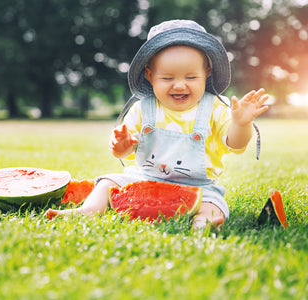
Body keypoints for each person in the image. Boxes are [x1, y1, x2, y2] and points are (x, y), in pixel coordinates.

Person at [46, 20, 269, 229]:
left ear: (206, 74)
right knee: (106, 182)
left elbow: (235, 143)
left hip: (199, 187)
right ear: (150, 76)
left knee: (212, 203)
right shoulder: (142, 108)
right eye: (167, 78)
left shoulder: (215, 110)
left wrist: (241, 124)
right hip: (145, 179)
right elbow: (127, 150)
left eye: (191, 77)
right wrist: (122, 148)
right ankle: (89, 209)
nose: (180, 85)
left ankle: (203, 223)